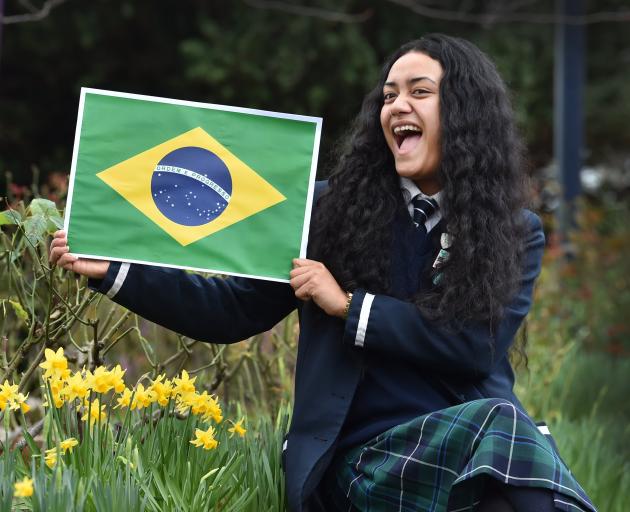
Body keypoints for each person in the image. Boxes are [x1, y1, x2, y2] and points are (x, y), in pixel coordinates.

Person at [50, 34, 596, 512]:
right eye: (388, 95)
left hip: (472, 450)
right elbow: (230, 310)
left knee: (499, 482)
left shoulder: (514, 230)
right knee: (506, 443)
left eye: (419, 92)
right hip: (361, 459)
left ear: (467, 112)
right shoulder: (327, 212)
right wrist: (116, 272)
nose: (396, 106)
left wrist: (348, 307)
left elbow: (476, 348)